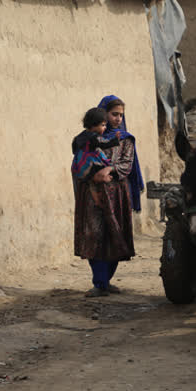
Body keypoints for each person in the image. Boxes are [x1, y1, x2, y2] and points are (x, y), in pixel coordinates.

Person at [73, 95, 142, 297]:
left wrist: (109, 170)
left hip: (116, 195)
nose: (118, 119)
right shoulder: (86, 138)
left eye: (121, 115)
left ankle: (106, 281)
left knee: (114, 236)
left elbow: (126, 164)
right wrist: (92, 174)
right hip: (92, 194)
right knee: (94, 235)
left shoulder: (125, 139)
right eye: (114, 114)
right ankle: (99, 282)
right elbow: (78, 162)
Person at [71, 108, 121, 182]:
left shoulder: (81, 135)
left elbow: (74, 147)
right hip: (89, 164)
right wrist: (115, 140)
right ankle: (99, 177)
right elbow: (104, 144)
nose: (105, 127)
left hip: (79, 165)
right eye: (103, 125)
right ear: (94, 125)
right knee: (100, 163)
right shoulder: (93, 137)